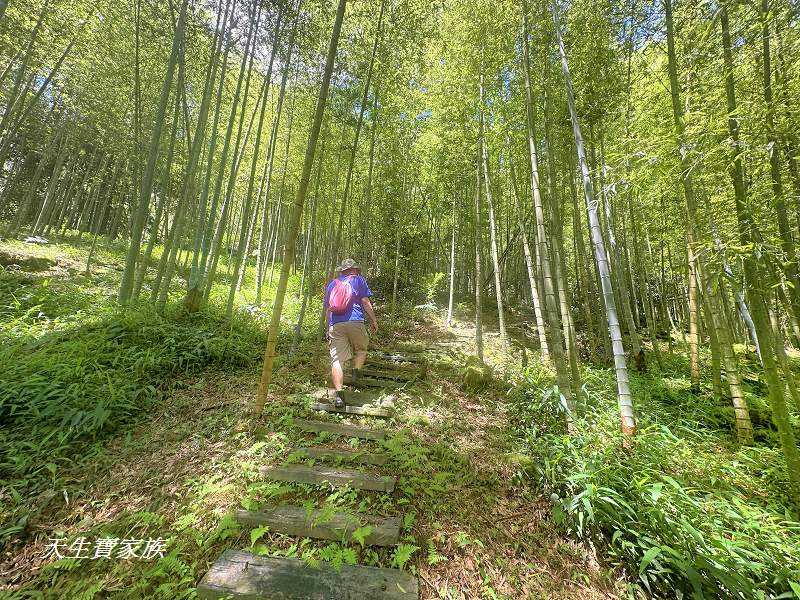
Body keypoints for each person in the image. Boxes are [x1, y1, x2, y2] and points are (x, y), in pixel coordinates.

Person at [324, 258, 378, 408]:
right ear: (353, 270)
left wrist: (328, 327)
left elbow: (328, 309)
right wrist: (373, 320)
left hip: (336, 324)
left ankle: (339, 396)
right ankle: (355, 373)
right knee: (361, 349)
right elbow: (365, 302)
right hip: (355, 321)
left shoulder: (332, 284)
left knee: (336, 360)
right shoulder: (358, 280)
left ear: (342, 271)